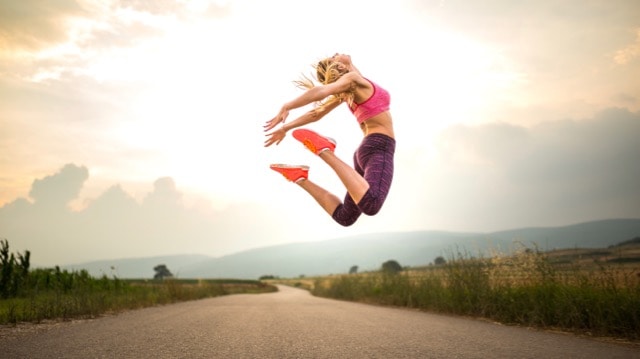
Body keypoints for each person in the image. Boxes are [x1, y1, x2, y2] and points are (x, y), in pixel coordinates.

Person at [264, 53, 395, 226]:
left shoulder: (352, 87)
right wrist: (287, 106)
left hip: (366, 151)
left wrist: (285, 127)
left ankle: (299, 177)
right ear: (339, 67)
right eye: (334, 57)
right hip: (379, 146)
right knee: (371, 205)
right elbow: (321, 92)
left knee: (345, 217)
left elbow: (315, 113)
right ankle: (325, 151)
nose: (336, 54)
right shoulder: (353, 80)